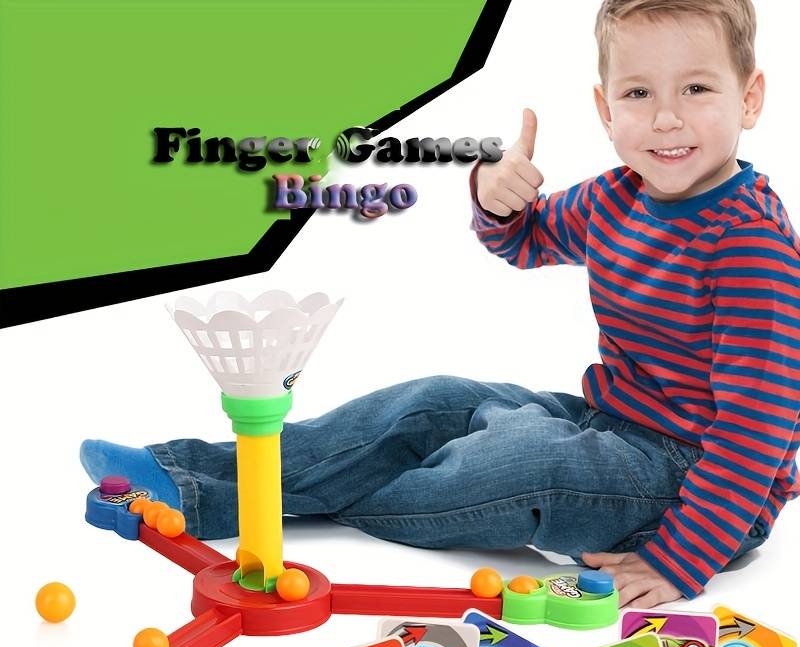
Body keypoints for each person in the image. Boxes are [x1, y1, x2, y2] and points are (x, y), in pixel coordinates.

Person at [81, 0, 800, 609]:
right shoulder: (616, 197)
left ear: (749, 98)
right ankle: (184, 470)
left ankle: (223, 501)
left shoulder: (750, 244)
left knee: (514, 464)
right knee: (434, 401)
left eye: (696, 89)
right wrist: (495, 196)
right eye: (639, 94)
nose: (667, 118)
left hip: (700, 485)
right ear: (605, 110)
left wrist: (680, 560)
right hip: (608, 423)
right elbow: (524, 239)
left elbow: (758, 429)